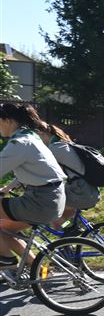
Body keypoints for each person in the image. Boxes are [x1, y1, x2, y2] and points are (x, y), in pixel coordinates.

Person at [0, 103, 67, 269]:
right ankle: (38, 269)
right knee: (5, 230)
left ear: (7, 121)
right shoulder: (31, 138)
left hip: (40, 202)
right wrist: (7, 189)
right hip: (51, 199)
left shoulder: (20, 143)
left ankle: (6, 259)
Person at [30, 122, 101, 233]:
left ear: (40, 133)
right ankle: (67, 238)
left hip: (80, 192)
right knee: (57, 221)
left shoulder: (55, 149)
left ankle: (70, 228)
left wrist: (13, 185)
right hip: (88, 190)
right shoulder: (64, 144)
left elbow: (37, 169)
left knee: (47, 208)